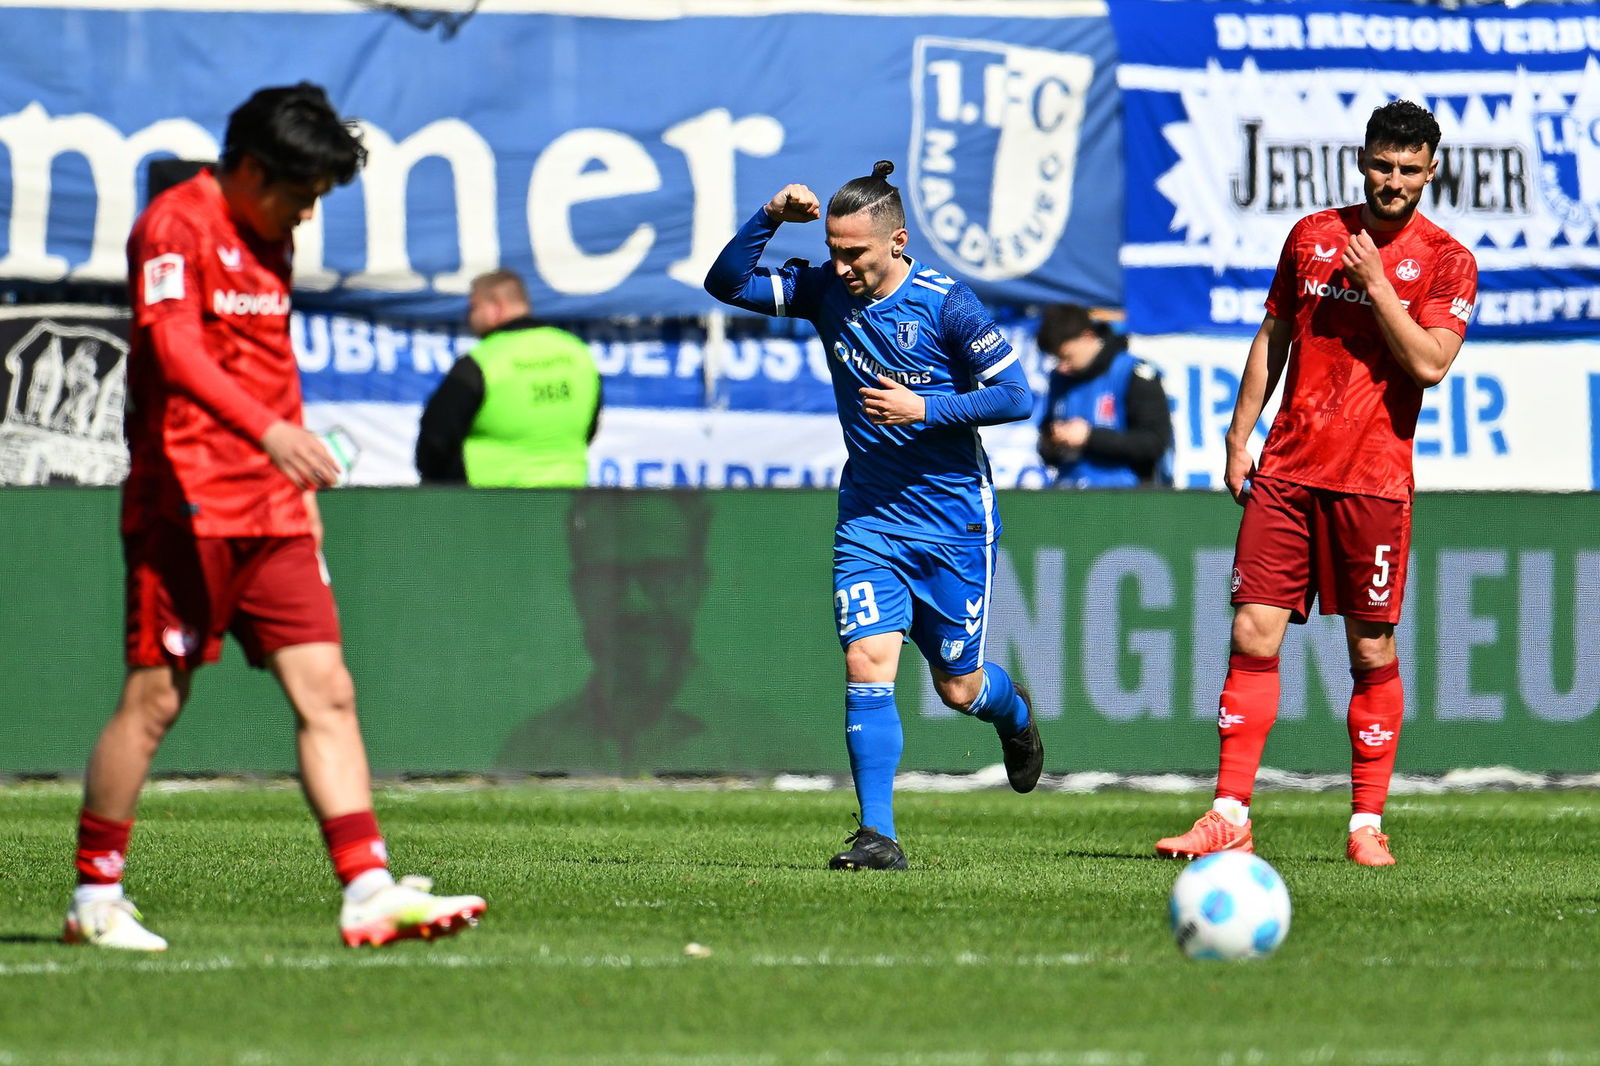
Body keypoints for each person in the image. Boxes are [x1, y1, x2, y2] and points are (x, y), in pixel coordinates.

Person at [66, 83, 486, 952]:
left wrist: (295, 485)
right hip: (186, 500)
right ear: (251, 168)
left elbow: (269, 361)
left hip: (271, 505)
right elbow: (174, 349)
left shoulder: (274, 235)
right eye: (298, 194)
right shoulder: (174, 227)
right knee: (153, 700)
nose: (303, 215)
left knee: (329, 689)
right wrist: (269, 433)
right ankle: (95, 898)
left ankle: (366, 888)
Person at [1155, 100, 1478, 867]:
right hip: (1288, 472)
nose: (1392, 180)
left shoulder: (1447, 259)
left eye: (1408, 169)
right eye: (1381, 165)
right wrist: (1240, 435)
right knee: (1250, 633)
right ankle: (1229, 811)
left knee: (1369, 650)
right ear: (1360, 160)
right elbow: (1274, 332)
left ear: (1431, 172)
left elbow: (1430, 363)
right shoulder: (1311, 236)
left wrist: (1380, 288)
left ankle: (1366, 823)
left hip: (1371, 483)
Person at [704, 160, 1044, 871]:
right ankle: (878, 835)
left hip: (954, 522)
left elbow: (1017, 396)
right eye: (832, 249)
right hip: (870, 518)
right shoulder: (826, 289)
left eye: (854, 252)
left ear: (897, 241)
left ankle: (1013, 716)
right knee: (867, 660)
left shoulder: (947, 304)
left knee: (959, 687)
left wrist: (927, 408)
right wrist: (768, 215)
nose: (840, 264)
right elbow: (726, 283)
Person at [415, 269, 601, 487]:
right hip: (566, 505)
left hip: (493, 509)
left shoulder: (482, 362)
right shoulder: (578, 354)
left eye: (474, 307)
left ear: (496, 306)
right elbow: (590, 426)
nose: (469, 317)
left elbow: (435, 442)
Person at [1035, 304, 1172, 488]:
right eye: (1057, 360)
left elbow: (1154, 443)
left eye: (1066, 357)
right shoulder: (1059, 379)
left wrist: (1090, 437)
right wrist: (1052, 441)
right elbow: (1046, 439)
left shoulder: (1134, 373)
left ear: (1087, 336)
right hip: (1068, 494)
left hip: (1124, 498)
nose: (1062, 367)